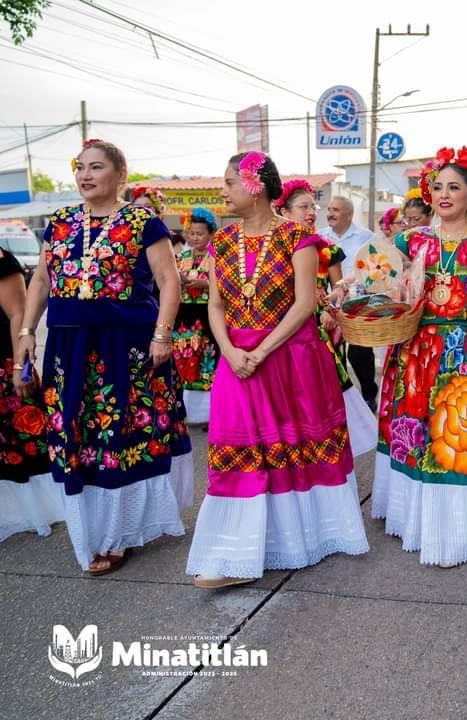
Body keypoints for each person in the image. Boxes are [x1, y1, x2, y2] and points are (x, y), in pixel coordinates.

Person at [186, 151, 368, 588]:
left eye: (229, 182)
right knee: (235, 451)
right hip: (237, 359)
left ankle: (295, 541)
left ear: (255, 185)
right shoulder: (223, 243)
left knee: (291, 450)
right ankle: (233, 554)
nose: (223, 190)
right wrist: (230, 351)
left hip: (290, 356)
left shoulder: (297, 238)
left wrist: (260, 351)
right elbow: (216, 304)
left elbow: (305, 304)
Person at [14, 139, 193, 574]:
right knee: (78, 436)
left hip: (124, 348)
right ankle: (91, 527)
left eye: (96, 167)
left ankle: (118, 534)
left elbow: (169, 281)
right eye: (79, 168)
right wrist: (25, 332)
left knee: (117, 439)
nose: (85, 175)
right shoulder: (58, 222)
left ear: (121, 174)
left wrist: (162, 336)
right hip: (68, 346)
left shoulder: (141, 221)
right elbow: (40, 280)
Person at [371, 146, 467, 568]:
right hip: (419, 351)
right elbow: (381, 277)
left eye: (454, 187)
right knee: (421, 432)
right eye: (437, 187)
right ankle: (418, 520)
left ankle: (459, 529)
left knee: (464, 435)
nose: (443, 194)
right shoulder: (410, 240)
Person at [276, 179, 377, 457]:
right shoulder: (272, 250)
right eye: (303, 206)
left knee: (324, 388)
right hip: (280, 328)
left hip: (319, 328)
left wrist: (334, 311)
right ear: (284, 211)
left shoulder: (326, 248)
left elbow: (338, 290)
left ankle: (328, 448)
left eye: (313, 206)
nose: (311, 212)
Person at [1, 246, 61, 541]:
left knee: (17, 443)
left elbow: (17, 314)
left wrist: (18, 365)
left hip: (4, 364)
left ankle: (26, 512)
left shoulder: (1, 260)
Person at [319, 196, 380, 412]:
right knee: (334, 352)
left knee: (359, 351)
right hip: (328, 303)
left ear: (349, 214)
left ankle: (368, 393)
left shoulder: (367, 237)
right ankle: (342, 399)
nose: (330, 213)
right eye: (328, 209)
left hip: (358, 302)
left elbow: (375, 269)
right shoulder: (319, 237)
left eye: (335, 210)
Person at [173, 207, 218, 426]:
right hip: (184, 319)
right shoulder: (180, 257)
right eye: (191, 233)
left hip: (208, 317)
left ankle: (210, 414)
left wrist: (206, 284)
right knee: (184, 359)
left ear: (211, 234)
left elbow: (227, 287)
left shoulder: (217, 258)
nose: (195, 237)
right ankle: (186, 412)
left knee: (207, 362)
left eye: (200, 233)